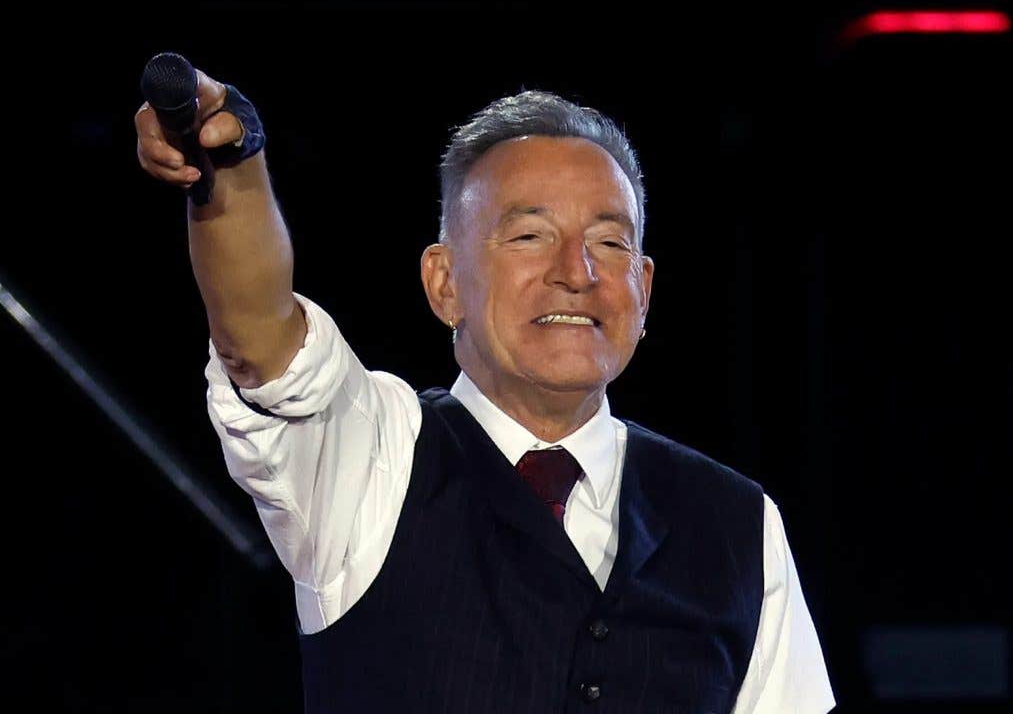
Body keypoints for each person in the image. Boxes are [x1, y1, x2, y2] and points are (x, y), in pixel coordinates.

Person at [135, 65, 835, 713]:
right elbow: (259, 339)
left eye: (611, 243)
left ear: (644, 291)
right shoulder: (369, 458)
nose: (577, 271)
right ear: (444, 284)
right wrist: (231, 167)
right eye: (529, 236)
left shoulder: (739, 526)